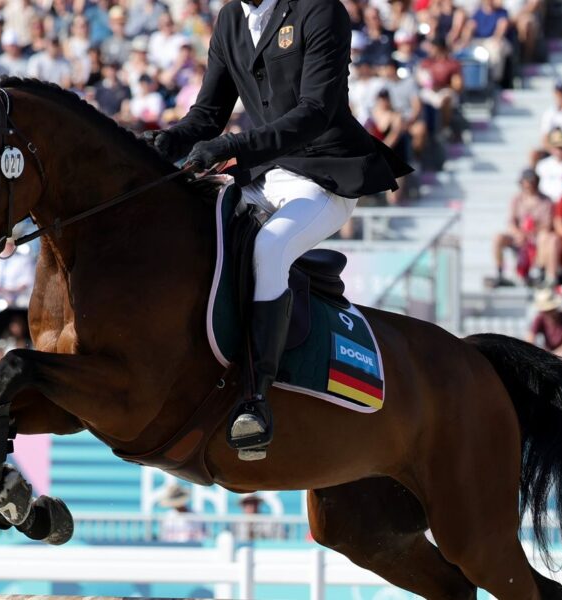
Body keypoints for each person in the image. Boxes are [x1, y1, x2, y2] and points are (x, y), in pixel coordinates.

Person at [142, 0, 412, 460]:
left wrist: (234, 145)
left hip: (324, 177)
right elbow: (207, 114)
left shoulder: (320, 11)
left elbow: (316, 110)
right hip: (265, 174)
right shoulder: (230, 20)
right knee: (189, 226)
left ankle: (255, 397)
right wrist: (162, 142)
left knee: (269, 246)